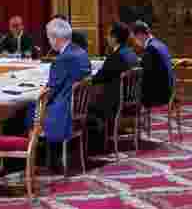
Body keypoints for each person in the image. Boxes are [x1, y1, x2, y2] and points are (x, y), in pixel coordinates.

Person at [31, 17, 91, 160]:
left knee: (25, 112)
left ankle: (30, 159)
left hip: (63, 113)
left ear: (55, 38)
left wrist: (40, 92)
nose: (49, 42)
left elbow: (50, 93)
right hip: (77, 109)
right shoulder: (81, 52)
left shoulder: (61, 60)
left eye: (49, 38)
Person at [88, 22, 140, 139]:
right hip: (132, 99)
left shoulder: (115, 56)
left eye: (108, 35)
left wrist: (84, 79)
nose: (107, 38)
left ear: (115, 38)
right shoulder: (131, 53)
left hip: (116, 102)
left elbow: (98, 79)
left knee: (83, 104)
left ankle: (94, 140)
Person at [131, 21, 175, 107]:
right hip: (169, 90)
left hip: (159, 95)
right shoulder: (159, 44)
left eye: (135, 38)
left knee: (128, 94)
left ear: (140, 35)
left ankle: (130, 119)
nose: (135, 42)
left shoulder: (151, 48)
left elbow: (144, 69)